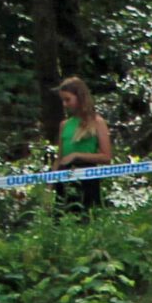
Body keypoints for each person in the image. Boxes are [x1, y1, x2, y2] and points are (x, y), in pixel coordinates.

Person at [53, 77, 112, 212]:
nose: (64, 104)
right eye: (63, 100)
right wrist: (49, 186)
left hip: (87, 179)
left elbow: (106, 157)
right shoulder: (64, 124)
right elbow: (59, 158)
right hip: (64, 179)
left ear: (79, 98)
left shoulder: (97, 122)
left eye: (68, 100)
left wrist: (77, 155)